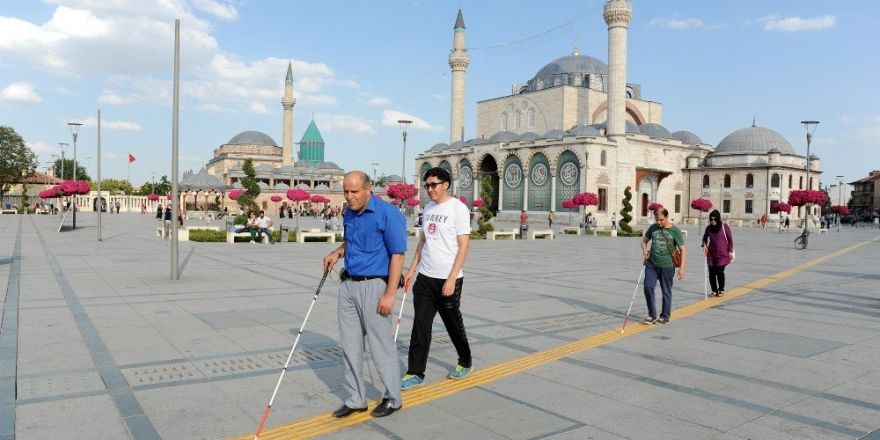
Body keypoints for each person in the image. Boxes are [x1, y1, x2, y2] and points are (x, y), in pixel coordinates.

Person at [323, 171, 406, 419]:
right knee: (349, 344)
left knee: (380, 345)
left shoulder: (388, 214)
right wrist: (337, 253)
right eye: (346, 191)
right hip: (349, 285)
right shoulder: (349, 212)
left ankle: (393, 397)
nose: (349, 197)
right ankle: (356, 398)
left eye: (354, 191)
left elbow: (398, 255)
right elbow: (352, 241)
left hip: (375, 286)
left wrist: (390, 294)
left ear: (368, 188)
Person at [400, 167, 473, 390]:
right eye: (427, 185)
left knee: (453, 323)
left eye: (433, 185)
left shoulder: (458, 209)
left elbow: (463, 246)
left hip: (448, 278)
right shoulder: (428, 208)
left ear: (446, 184)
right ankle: (415, 372)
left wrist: (452, 279)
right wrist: (412, 269)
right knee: (421, 324)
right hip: (425, 278)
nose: (429, 189)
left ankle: (465, 360)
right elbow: (424, 241)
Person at [640, 209, 686, 324]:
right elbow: (644, 241)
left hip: (667, 266)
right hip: (651, 264)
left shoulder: (675, 230)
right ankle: (652, 314)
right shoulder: (653, 228)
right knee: (648, 287)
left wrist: (682, 268)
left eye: (661, 220)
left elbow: (683, 249)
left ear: (666, 217)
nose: (659, 222)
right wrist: (645, 250)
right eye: (657, 220)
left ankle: (665, 316)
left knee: (666, 291)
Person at [701, 210, 734, 297]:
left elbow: (730, 240)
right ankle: (714, 290)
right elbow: (704, 238)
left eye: (714, 219)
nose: (713, 221)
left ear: (718, 219)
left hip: (722, 254)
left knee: (719, 271)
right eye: (711, 219)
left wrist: (730, 250)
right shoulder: (708, 228)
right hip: (711, 254)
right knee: (711, 273)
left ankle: (721, 289)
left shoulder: (724, 227)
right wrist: (704, 245)